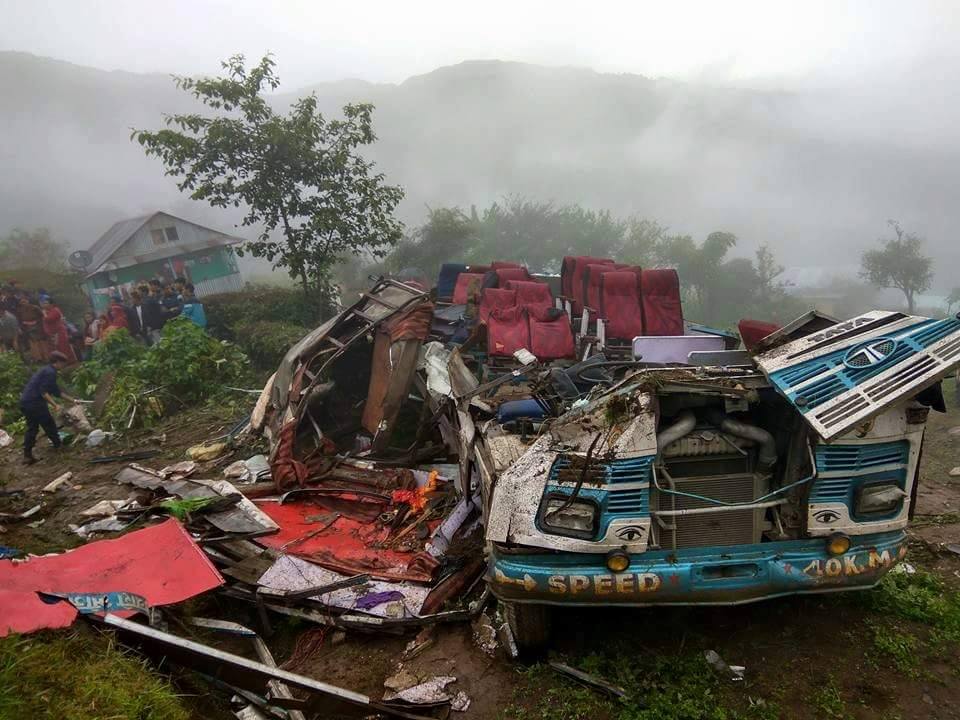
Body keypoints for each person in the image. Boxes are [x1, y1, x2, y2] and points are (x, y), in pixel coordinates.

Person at [20, 350, 76, 464]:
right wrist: (55, 405)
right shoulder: (51, 372)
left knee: (32, 428)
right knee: (48, 423)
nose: (64, 365)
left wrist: (73, 400)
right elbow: (43, 392)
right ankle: (58, 446)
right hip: (35, 402)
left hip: (25, 401)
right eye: (63, 363)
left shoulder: (47, 370)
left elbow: (56, 391)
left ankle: (27, 455)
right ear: (57, 362)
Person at [39, 295, 77, 364]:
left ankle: (68, 361)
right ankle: (60, 362)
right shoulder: (47, 311)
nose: (44, 305)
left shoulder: (55, 310)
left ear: (51, 304)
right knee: (55, 348)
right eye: (43, 303)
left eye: (46, 303)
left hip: (59, 332)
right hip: (52, 334)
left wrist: (44, 314)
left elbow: (49, 319)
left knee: (63, 347)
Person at [17, 296, 47, 362]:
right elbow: (19, 320)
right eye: (22, 302)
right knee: (33, 343)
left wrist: (36, 322)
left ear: (28, 301)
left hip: (38, 327)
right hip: (27, 328)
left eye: (24, 301)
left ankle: (45, 357)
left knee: (41, 342)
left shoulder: (35, 307)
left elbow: (42, 316)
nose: (23, 303)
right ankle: (38, 358)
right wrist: (22, 326)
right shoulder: (20, 310)